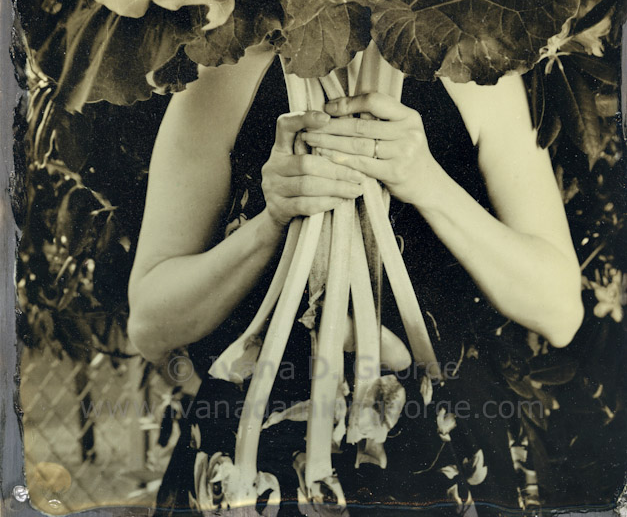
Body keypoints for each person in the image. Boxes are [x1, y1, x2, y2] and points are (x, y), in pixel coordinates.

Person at [127, 39, 584, 515]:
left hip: (440, 458)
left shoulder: (480, 71)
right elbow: (151, 324)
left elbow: (558, 309)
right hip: (256, 468)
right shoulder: (227, 69)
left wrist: (428, 182)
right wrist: (270, 223)